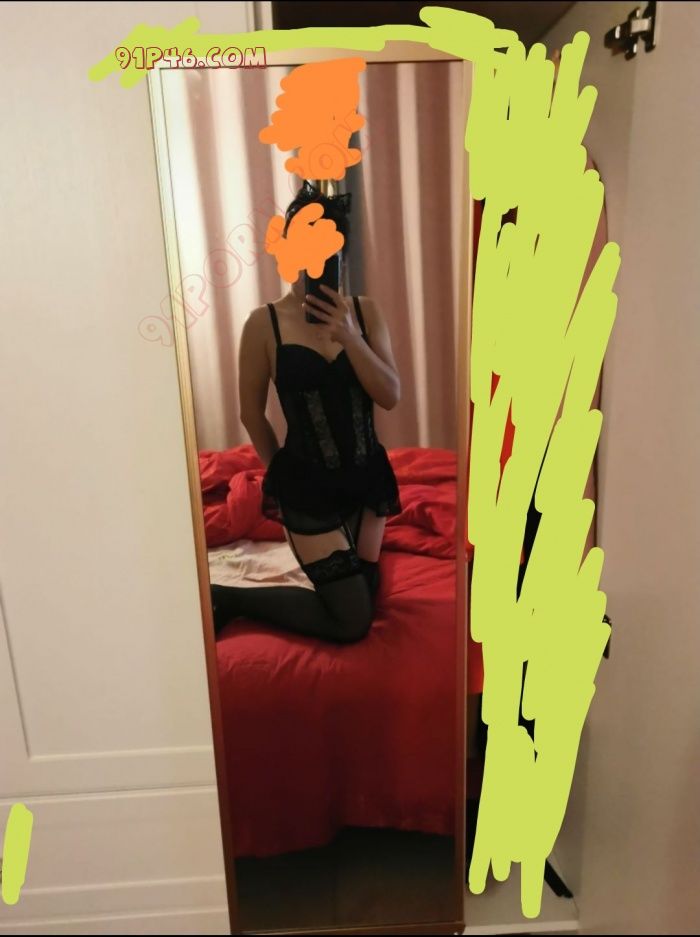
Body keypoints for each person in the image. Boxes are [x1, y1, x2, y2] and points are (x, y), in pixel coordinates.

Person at [210, 182, 402, 643]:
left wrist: (350, 337)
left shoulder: (365, 313)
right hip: (308, 487)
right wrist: (281, 475)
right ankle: (229, 597)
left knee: (365, 596)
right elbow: (251, 413)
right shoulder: (263, 324)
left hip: (367, 480)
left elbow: (390, 395)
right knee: (352, 621)